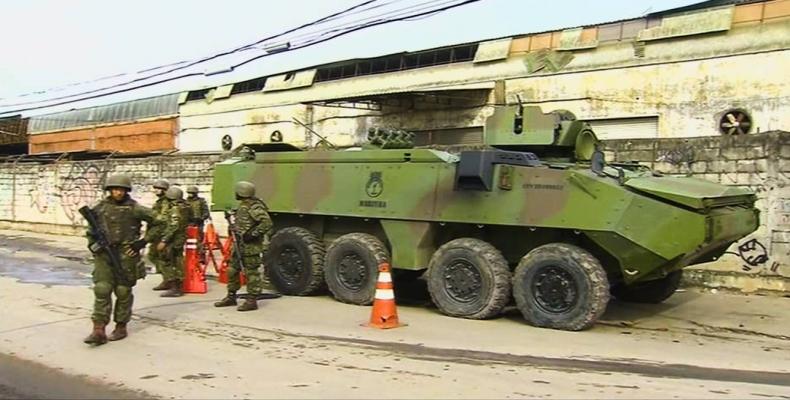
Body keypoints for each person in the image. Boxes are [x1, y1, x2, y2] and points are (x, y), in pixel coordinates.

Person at [84, 174, 153, 345]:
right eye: (115, 189)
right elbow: (91, 232)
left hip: (126, 254)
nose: (118, 192)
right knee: (102, 289)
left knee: (123, 291)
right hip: (104, 255)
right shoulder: (100, 208)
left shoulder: (135, 208)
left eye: (121, 189)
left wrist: (142, 242)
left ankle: (121, 326)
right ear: (109, 190)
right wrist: (93, 246)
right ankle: (98, 329)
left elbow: (161, 221)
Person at [214, 181, 272, 311]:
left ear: (242, 192)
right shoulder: (243, 206)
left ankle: (252, 300)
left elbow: (266, 223)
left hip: (250, 246)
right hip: (238, 245)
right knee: (232, 270)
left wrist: (252, 234)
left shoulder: (254, 207)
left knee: (251, 273)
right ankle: (231, 296)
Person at [159, 186, 191, 298]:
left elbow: (174, 225)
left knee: (172, 262)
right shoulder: (185, 206)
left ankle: (175, 287)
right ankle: (176, 286)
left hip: (174, 238)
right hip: (180, 237)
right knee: (177, 260)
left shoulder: (175, 209)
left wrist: (164, 240)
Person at [146, 179, 171, 291]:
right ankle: (166, 278)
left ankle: (168, 280)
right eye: (155, 188)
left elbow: (163, 218)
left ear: (164, 190)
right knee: (153, 255)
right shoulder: (160, 201)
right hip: (156, 233)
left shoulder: (165, 202)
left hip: (162, 233)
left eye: (158, 188)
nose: (156, 190)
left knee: (162, 257)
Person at [185, 185, 210, 259]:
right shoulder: (186, 202)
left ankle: (201, 256)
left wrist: (201, 219)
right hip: (189, 222)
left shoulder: (201, 201)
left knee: (199, 240)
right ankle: (190, 255)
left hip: (199, 223)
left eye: (191, 193)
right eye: (189, 193)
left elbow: (206, 212)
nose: (190, 194)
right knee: (189, 240)